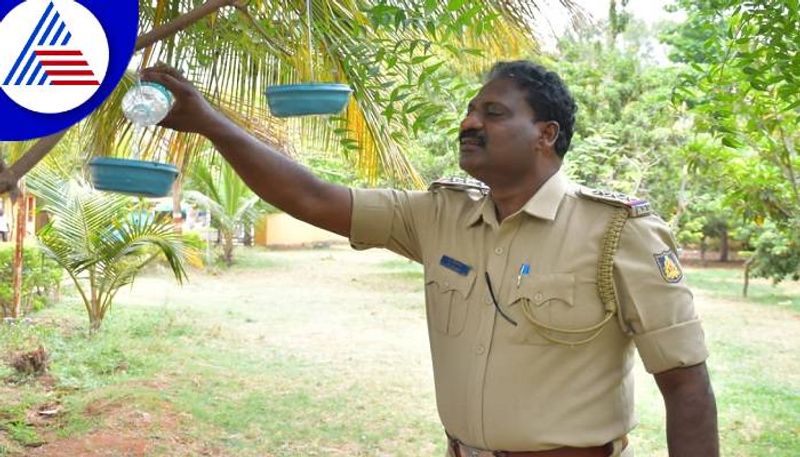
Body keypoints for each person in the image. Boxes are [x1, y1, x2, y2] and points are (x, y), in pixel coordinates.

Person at [142, 60, 718, 457]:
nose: (469, 122)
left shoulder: (618, 232)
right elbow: (312, 198)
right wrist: (210, 123)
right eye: (471, 111)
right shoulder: (439, 216)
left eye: (493, 113)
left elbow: (685, 384)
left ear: (546, 133)